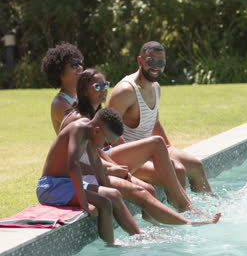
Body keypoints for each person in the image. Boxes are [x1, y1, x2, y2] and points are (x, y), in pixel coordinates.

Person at [61, 68, 220, 224]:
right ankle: (186, 208)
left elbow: (104, 147)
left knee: (177, 169)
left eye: (105, 85)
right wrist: (111, 168)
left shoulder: (97, 113)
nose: (103, 90)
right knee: (156, 142)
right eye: (97, 87)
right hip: (103, 163)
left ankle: (161, 222)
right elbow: (76, 158)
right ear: (83, 91)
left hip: (109, 158)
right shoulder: (78, 119)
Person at [108, 41, 212, 194]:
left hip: (150, 151)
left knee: (196, 165)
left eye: (161, 62)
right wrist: (135, 158)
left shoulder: (155, 88)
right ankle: (183, 213)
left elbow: (154, 123)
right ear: (140, 61)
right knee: (177, 170)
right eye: (151, 61)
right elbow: (109, 130)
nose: (156, 66)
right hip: (124, 158)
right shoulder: (126, 91)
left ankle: (210, 206)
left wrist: (169, 151)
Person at [37, 108, 140, 244]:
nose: (106, 146)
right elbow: (73, 164)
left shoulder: (90, 133)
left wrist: (105, 189)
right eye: (107, 143)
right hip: (51, 186)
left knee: (114, 194)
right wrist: (84, 203)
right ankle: (111, 247)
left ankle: (137, 235)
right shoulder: (78, 129)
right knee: (104, 203)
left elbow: (96, 163)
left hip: (66, 185)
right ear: (97, 130)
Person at [41, 42, 84, 134]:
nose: (80, 68)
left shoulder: (80, 96)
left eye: (80, 63)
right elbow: (84, 131)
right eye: (74, 64)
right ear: (59, 71)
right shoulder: (60, 104)